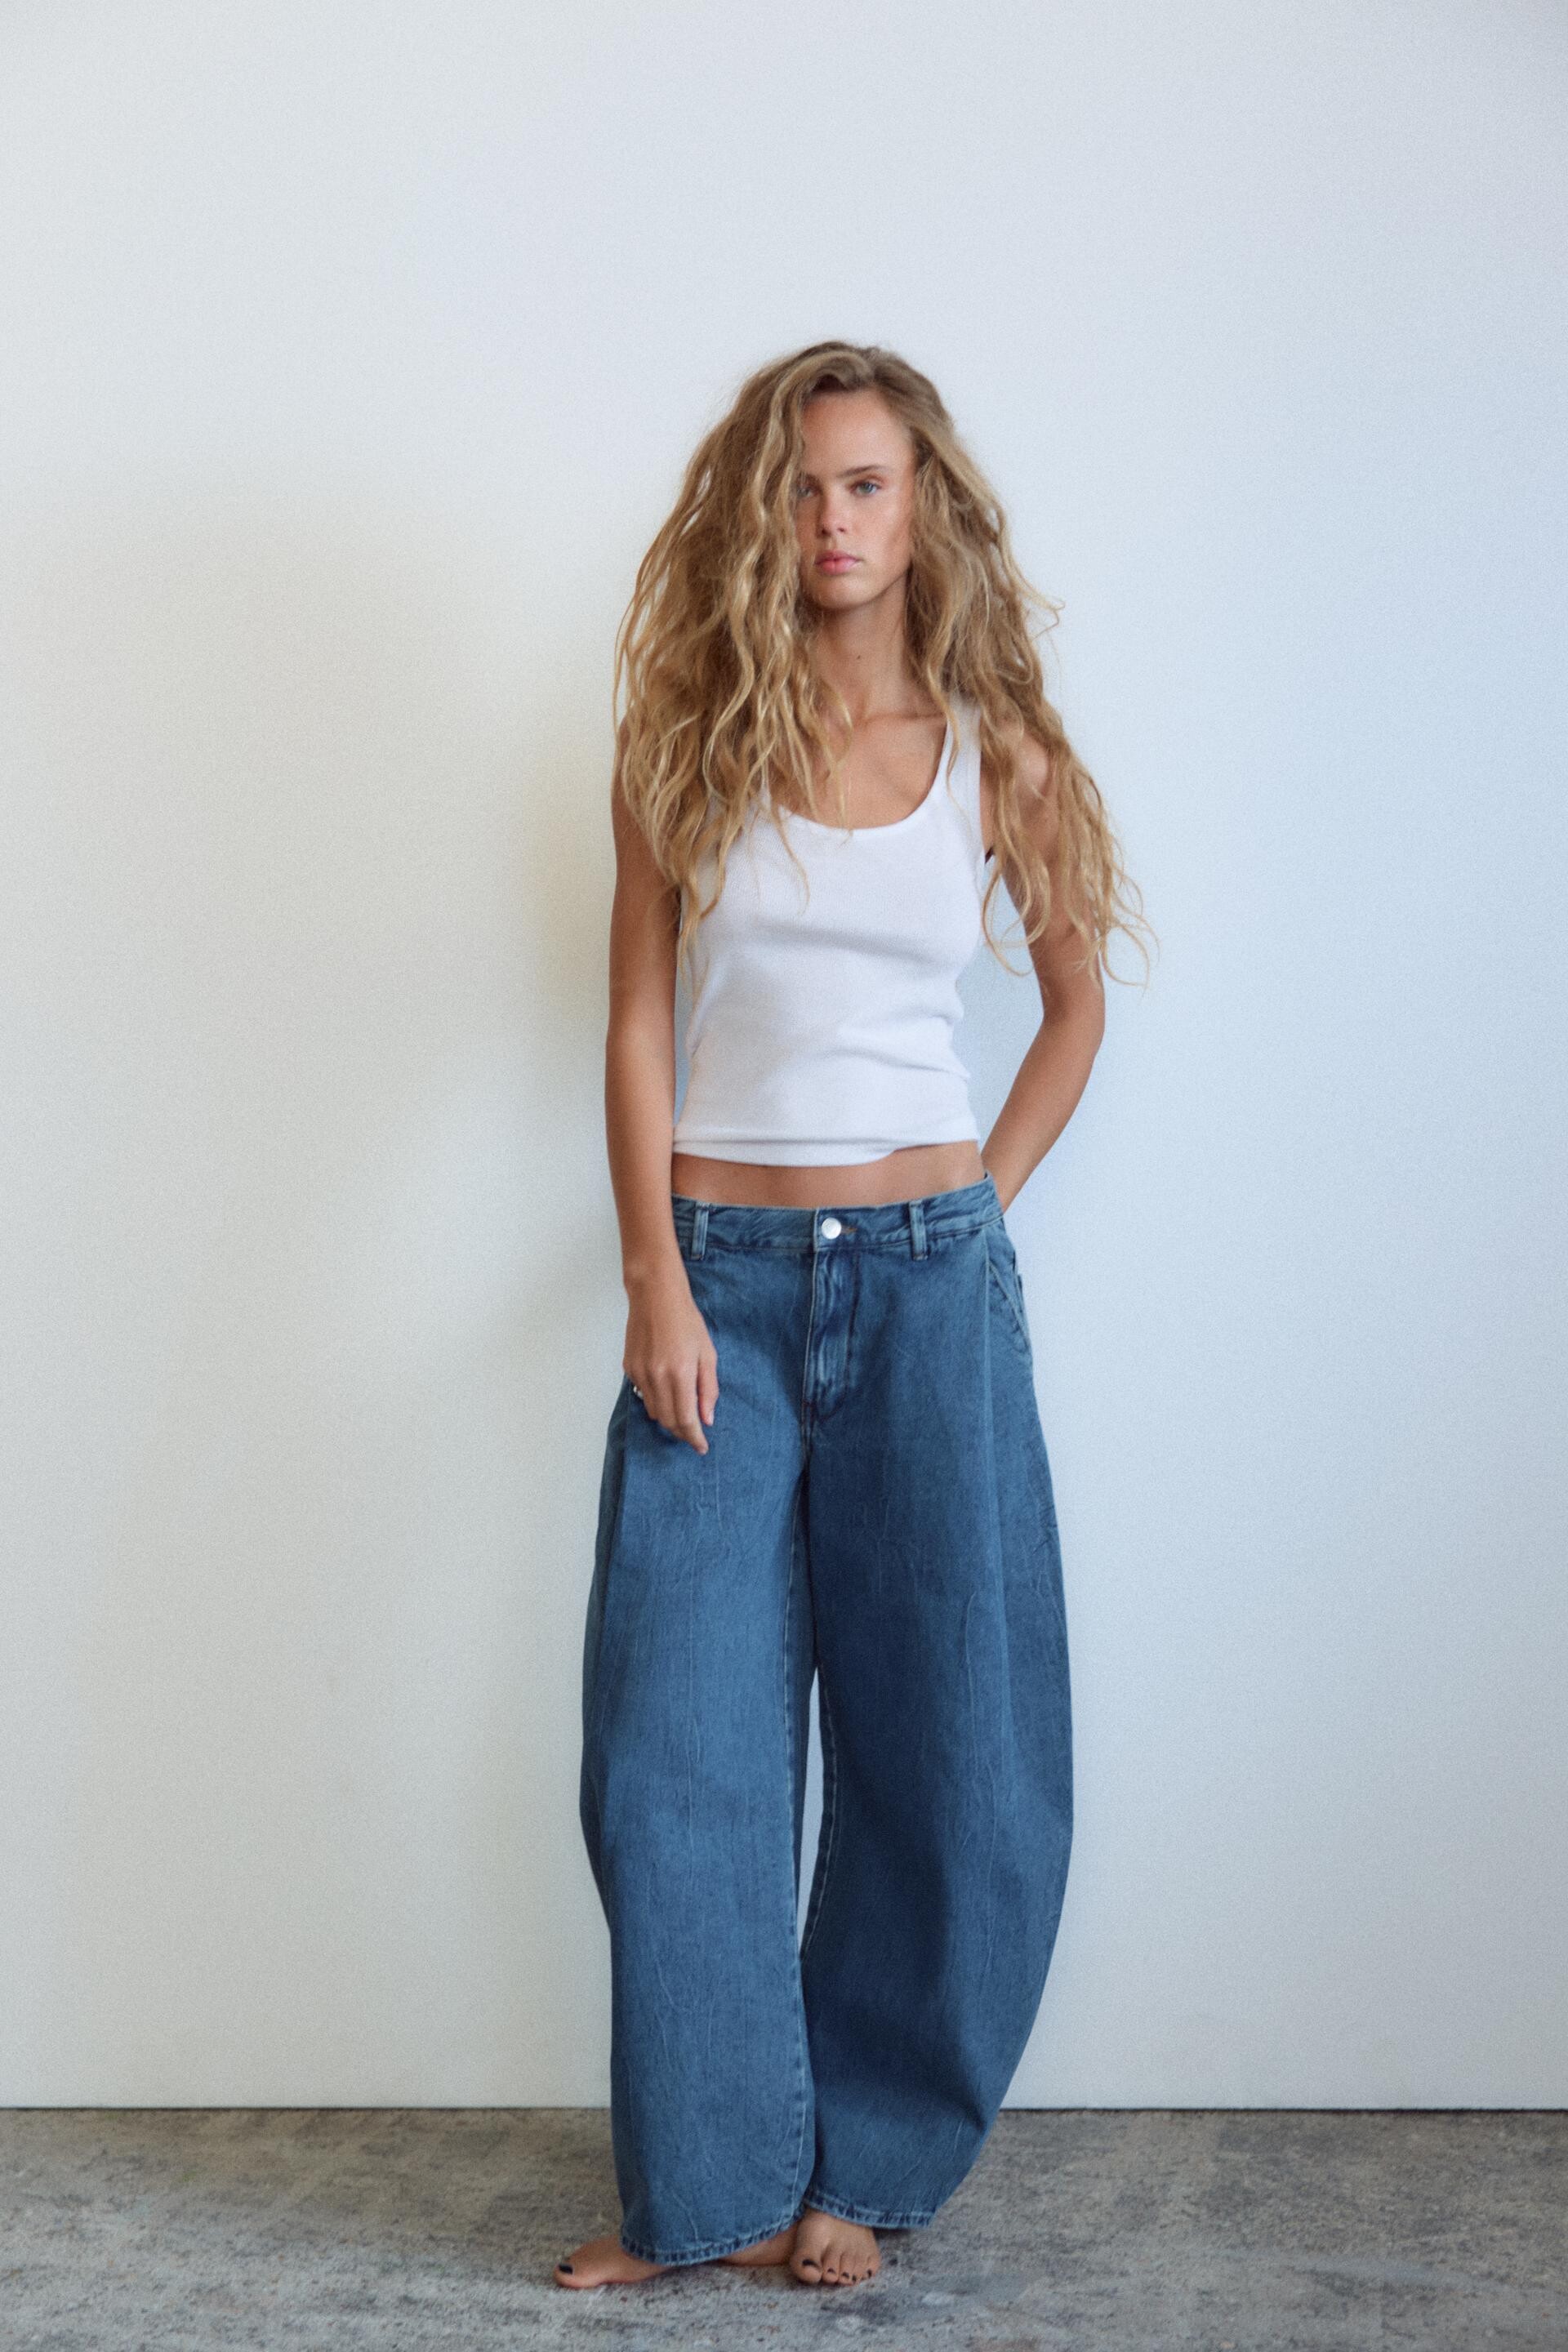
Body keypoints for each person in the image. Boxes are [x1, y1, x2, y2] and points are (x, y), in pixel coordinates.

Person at [554, 341, 1152, 2293]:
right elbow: (637, 1020)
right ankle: (711, 2191)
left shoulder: (999, 756)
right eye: (805, 487)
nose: (833, 520)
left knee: (948, 1741)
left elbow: (1074, 1005)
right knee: (676, 1752)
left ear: (923, 506)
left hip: (926, 1289)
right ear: (764, 509)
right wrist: (650, 1269)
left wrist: (977, 1206)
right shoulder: (683, 740)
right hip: (715, 1288)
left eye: (868, 484)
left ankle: (866, 2170)